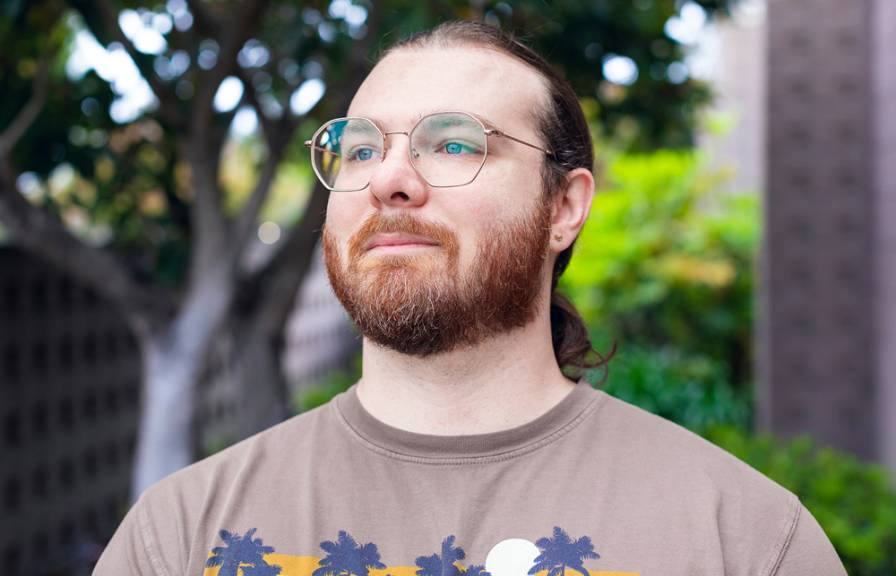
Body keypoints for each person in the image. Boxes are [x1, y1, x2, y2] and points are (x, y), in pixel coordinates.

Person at [94, 21, 847, 576]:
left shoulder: (744, 541)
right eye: (360, 148)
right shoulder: (179, 537)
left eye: (452, 144)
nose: (390, 177)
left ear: (563, 208)